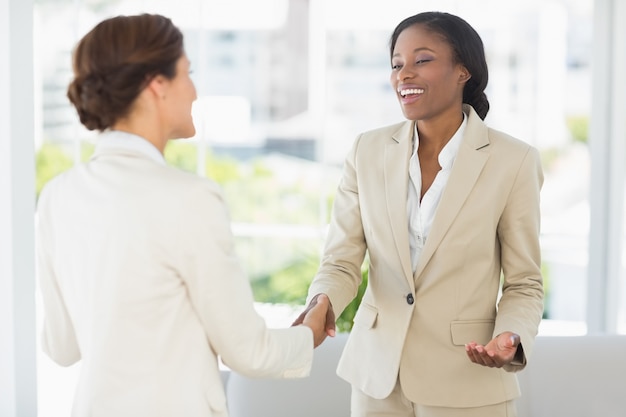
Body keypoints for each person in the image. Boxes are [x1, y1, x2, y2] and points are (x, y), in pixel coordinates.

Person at [36, 13, 330, 417]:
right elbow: (249, 352)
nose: (193, 91)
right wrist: (310, 334)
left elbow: (61, 346)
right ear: (157, 85)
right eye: (187, 73)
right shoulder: (190, 198)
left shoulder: (57, 195)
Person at [292, 11, 544, 417]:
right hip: (377, 378)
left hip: (467, 380)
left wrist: (510, 335)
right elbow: (341, 259)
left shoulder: (513, 162)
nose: (403, 75)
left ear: (463, 70)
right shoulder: (366, 150)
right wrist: (322, 302)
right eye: (396, 64)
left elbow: (524, 282)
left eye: (422, 60)